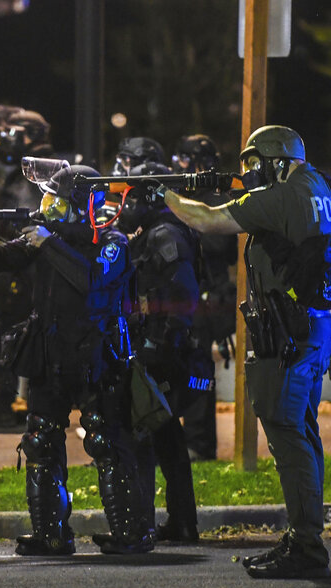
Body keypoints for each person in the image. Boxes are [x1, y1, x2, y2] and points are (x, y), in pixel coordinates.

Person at [157, 125, 331, 579]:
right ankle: (306, 535)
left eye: (257, 164)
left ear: (279, 160)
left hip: (291, 334)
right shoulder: (323, 187)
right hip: (318, 325)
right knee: (302, 430)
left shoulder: (281, 197)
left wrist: (164, 191)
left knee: (286, 431)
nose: (253, 174)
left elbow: (204, 219)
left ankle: (306, 544)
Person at [0, 165, 152, 556]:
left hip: (97, 357)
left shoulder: (113, 241)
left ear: (82, 205)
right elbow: (3, 261)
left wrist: (48, 243)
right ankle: (51, 534)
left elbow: (93, 281)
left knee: (105, 442)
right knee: (40, 441)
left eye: (57, 202)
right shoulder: (48, 238)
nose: (48, 209)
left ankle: (131, 533)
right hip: (50, 354)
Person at [113, 160, 201, 544]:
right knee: (166, 438)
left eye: (131, 194)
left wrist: (161, 346)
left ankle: (144, 524)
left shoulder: (165, 235)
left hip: (162, 352)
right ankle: (180, 522)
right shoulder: (153, 231)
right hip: (156, 347)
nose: (125, 202)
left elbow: (184, 295)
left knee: (148, 435)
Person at [0, 105, 54, 430]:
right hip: (22, 272)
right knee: (9, 336)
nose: (6, 141)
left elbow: (27, 225)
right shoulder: (29, 170)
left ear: (32, 137)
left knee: (13, 337)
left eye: (13, 135)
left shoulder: (37, 172)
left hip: (27, 274)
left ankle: (7, 410)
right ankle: (2, 407)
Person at [171, 134, 237, 462]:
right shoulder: (191, 198)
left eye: (185, 159)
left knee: (197, 374)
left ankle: (200, 442)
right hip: (188, 300)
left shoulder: (215, 201)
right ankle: (186, 438)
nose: (179, 165)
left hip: (207, 302)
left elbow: (218, 246)